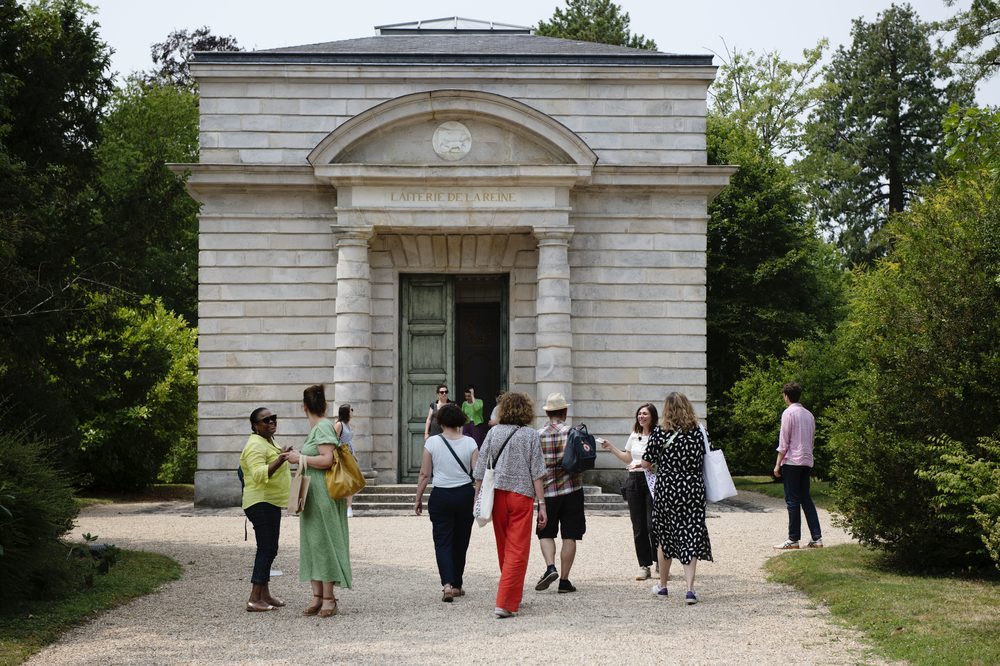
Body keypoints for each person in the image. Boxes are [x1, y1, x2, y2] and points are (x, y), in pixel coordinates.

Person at [473, 392, 547, 619]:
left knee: (504, 546)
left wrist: (477, 494)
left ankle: (511, 592)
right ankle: (505, 601)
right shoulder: (530, 435)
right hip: (521, 494)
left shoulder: (494, 432)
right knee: (518, 549)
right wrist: (542, 504)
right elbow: (537, 472)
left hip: (497, 495)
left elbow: (480, 466)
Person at [284, 385, 351, 618]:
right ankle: (317, 596)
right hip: (312, 493)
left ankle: (329, 598)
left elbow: (327, 459)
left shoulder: (322, 426)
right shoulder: (318, 427)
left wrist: (299, 457)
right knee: (313, 542)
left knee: (324, 542)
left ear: (304, 407)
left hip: (323, 492)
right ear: (323, 404)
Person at [640, 392, 712, 605]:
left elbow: (646, 463)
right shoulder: (700, 432)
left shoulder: (660, 433)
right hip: (692, 489)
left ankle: (663, 587)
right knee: (691, 534)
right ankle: (690, 590)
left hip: (667, 490)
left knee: (665, 537)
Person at [414, 403, 479, 602]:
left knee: (442, 541)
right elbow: (477, 476)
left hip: (441, 495)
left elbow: (425, 474)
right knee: (461, 541)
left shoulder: (432, 443)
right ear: (460, 420)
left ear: (440, 422)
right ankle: (458, 583)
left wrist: (418, 499)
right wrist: (476, 498)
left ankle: (447, 584)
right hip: (464, 495)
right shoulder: (470, 443)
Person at [597, 403, 659, 581]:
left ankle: (659, 563)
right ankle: (644, 565)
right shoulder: (634, 435)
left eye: (645, 414)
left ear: (652, 416)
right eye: (639, 414)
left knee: (652, 525)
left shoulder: (659, 435)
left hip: (652, 480)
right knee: (638, 527)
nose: (641, 417)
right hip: (634, 480)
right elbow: (627, 457)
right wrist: (611, 448)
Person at [239, 407, 292, 612]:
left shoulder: (268, 441)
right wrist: (280, 459)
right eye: (265, 420)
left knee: (270, 548)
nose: (271, 422)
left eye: (273, 418)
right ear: (254, 426)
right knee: (266, 549)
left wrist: (280, 453)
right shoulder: (254, 445)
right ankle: (254, 598)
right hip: (260, 502)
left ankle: (265, 594)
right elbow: (259, 474)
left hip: (270, 502)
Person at [534, 392, 585, 594]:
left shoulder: (537, 435)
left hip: (547, 491)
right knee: (570, 535)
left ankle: (550, 567)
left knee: (545, 532)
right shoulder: (572, 432)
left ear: (548, 413)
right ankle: (564, 580)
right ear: (564, 412)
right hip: (572, 489)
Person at [773, 382, 823, 550]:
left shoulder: (788, 413)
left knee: (792, 500)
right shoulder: (809, 415)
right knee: (806, 499)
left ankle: (793, 539)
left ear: (786, 396)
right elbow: (812, 439)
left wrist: (777, 464)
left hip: (792, 461)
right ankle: (817, 538)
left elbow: (784, 441)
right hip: (807, 460)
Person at [335, 403, 357, 518]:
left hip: (350, 455)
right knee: (344, 482)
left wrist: (353, 455)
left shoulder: (348, 424)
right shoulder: (339, 424)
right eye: (351, 409)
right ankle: (344, 506)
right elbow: (334, 440)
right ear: (346, 412)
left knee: (351, 482)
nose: (353, 411)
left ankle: (349, 506)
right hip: (342, 455)